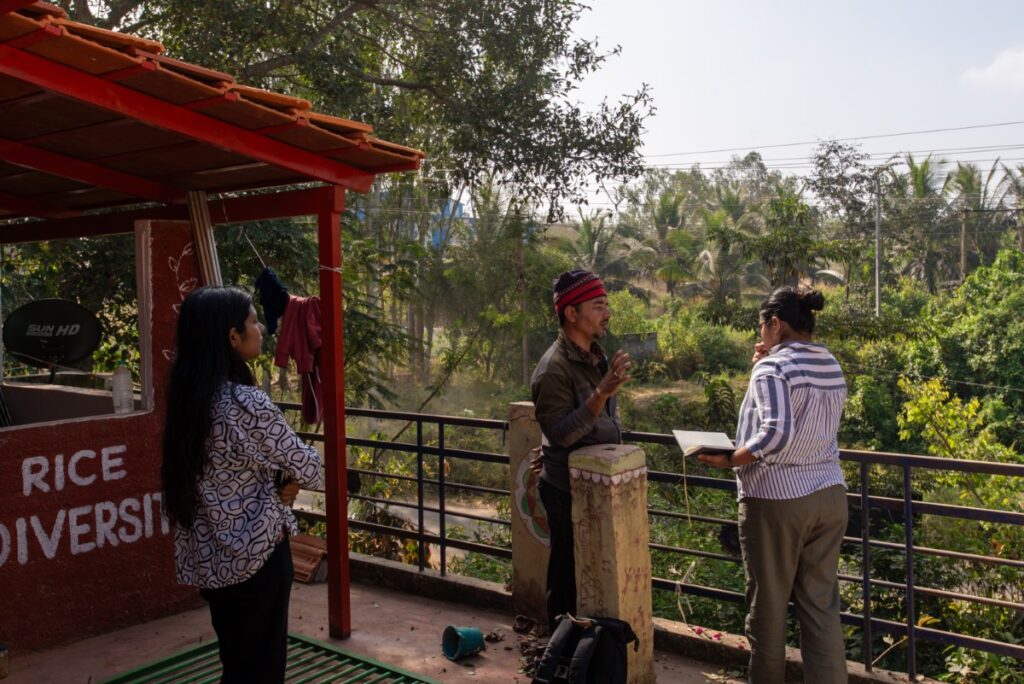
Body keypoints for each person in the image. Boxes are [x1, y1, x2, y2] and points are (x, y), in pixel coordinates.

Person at [161, 286, 322, 683]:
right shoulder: (245, 403)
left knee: (237, 665)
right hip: (257, 559)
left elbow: (224, 473)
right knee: (263, 669)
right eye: (252, 321)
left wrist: (276, 482)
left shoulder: (188, 402)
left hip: (212, 562)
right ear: (233, 336)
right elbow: (311, 468)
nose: (261, 328)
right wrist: (291, 475)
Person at [698, 286, 848, 683]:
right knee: (821, 609)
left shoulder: (773, 369)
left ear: (776, 324)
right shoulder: (830, 362)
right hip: (829, 495)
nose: (760, 334)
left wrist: (730, 459)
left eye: (762, 326)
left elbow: (776, 434)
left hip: (777, 501)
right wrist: (763, 367)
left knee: (768, 611)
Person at [530, 269, 631, 630]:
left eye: (606, 305)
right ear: (571, 313)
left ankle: (587, 644)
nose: (607, 313)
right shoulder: (553, 369)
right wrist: (602, 392)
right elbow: (560, 434)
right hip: (566, 488)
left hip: (595, 484)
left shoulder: (594, 356)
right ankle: (560, 645)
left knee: (595, 569)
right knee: (567, 573)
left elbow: (598, 417)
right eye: (598, 306)